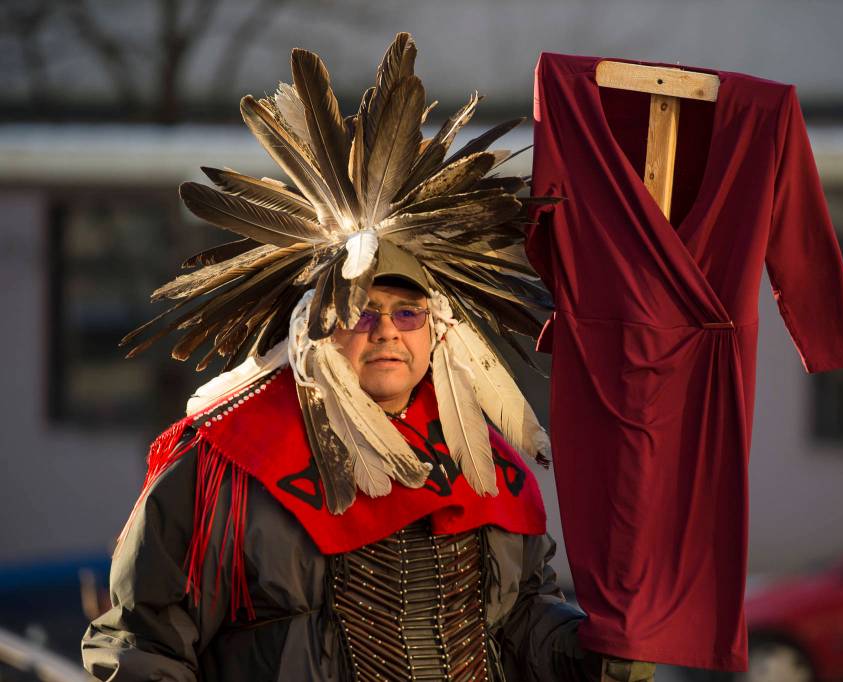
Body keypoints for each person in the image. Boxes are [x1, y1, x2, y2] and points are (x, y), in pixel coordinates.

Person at [80, 31, 647, 682]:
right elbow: (140, 643)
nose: (386, 332)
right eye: (358, 311)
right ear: (315, 328)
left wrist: (595, 654)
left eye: (408, 313)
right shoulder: (224, 468)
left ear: (436, 331)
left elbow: (520, 620)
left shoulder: (481, 462)